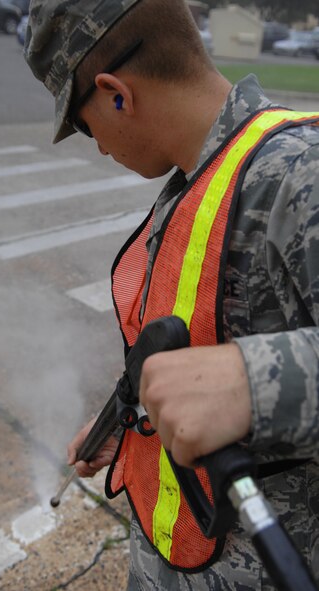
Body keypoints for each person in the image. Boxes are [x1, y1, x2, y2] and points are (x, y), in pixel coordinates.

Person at [24, 0, 319, 589]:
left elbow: (243, 378)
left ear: (116, 93)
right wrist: (121, 423)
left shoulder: (299, 173)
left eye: (82, 126)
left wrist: (258, 384)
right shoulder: (196, 178)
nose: (97, 144)